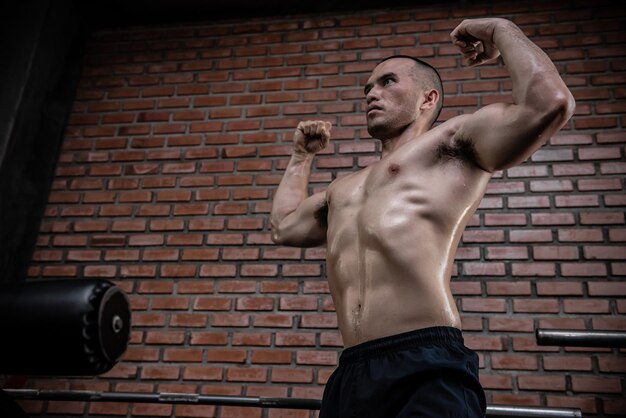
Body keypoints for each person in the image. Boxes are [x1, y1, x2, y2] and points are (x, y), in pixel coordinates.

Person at [270, 17, 575, 417]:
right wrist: (301, 156)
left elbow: (549, 103)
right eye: (367, 88)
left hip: (426, 358)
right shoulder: (343, 189)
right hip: (353, 371)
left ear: (427, 99)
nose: (371, 94)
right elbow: (285, 226)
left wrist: (501, 30)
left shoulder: (453, 142)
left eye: (387, 82)